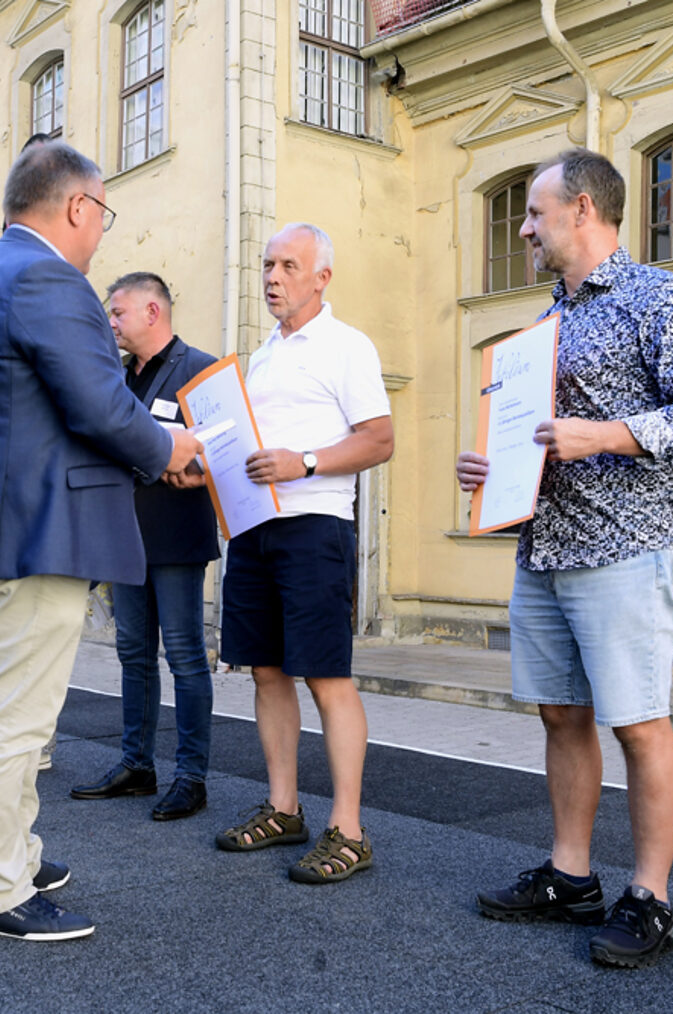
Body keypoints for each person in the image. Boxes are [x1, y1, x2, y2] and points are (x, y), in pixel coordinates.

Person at [456, 148, 673, 969]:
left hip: (628, 546)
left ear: (583, 209)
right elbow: (534, 438)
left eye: (535, 211)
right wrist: (496, 471)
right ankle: (571, 876)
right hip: (544, 545)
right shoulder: (544, 323)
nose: (524, 225)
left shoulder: (657, 295)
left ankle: (651, 899)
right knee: (559, 714)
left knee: (639, 723)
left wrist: (603, 435)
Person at [0, 141, 201, 942]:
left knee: (19, 713)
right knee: (14, 718)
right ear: (78, 207)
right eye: (102, 214)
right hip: (36, 532)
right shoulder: (49, 278)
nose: (101, 233)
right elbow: (102, 408)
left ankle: (13, 849)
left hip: (0, 526)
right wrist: (171, 449)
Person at [214, 223, 393, 886]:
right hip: (255, 528)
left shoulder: (347, 346)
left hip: (315, 526)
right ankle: (284, 808)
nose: (272, 277)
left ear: (321, 277)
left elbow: (379, 439)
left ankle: (347, 829)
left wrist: (305, 463)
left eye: (289, 265)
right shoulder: (260, 357)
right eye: (267, 264)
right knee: (265, 672)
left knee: (326, 677)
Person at [70, 272, 219, 821]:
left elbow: (224, 450)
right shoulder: (117, 376)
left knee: (184, 659)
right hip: (125, 537)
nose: (111, 323)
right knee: (133, 654)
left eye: (118, 313)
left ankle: (191, 777)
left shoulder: (201, 370)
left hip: (178, 536)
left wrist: (198, 469)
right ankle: (137, 765)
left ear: (153, 312)